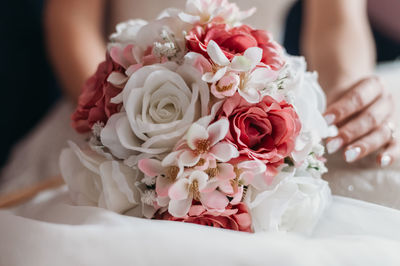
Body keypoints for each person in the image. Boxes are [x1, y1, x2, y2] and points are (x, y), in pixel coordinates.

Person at [0, 0, 399, 209]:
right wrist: (122, 121)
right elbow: (72, 21)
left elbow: (336, 24)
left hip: (260, 124)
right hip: (121, 114)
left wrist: (350, 91)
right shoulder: (120, 119)